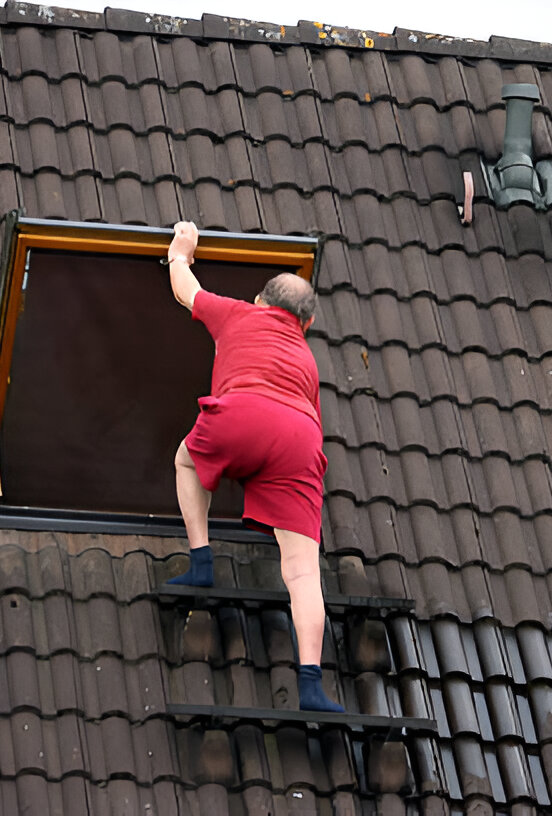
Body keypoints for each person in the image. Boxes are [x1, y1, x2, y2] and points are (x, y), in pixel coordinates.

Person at [162, 221, 343, 713]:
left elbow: (187, 292)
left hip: (243, 414)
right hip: (299, 439)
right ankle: (310, 684)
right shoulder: (306, 358)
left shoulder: (240, 315)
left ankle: (201, 562)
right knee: (303, 572)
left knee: (186, 459)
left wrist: (181, 252)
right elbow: (309, 426)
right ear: (305, 324)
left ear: (262, 301)